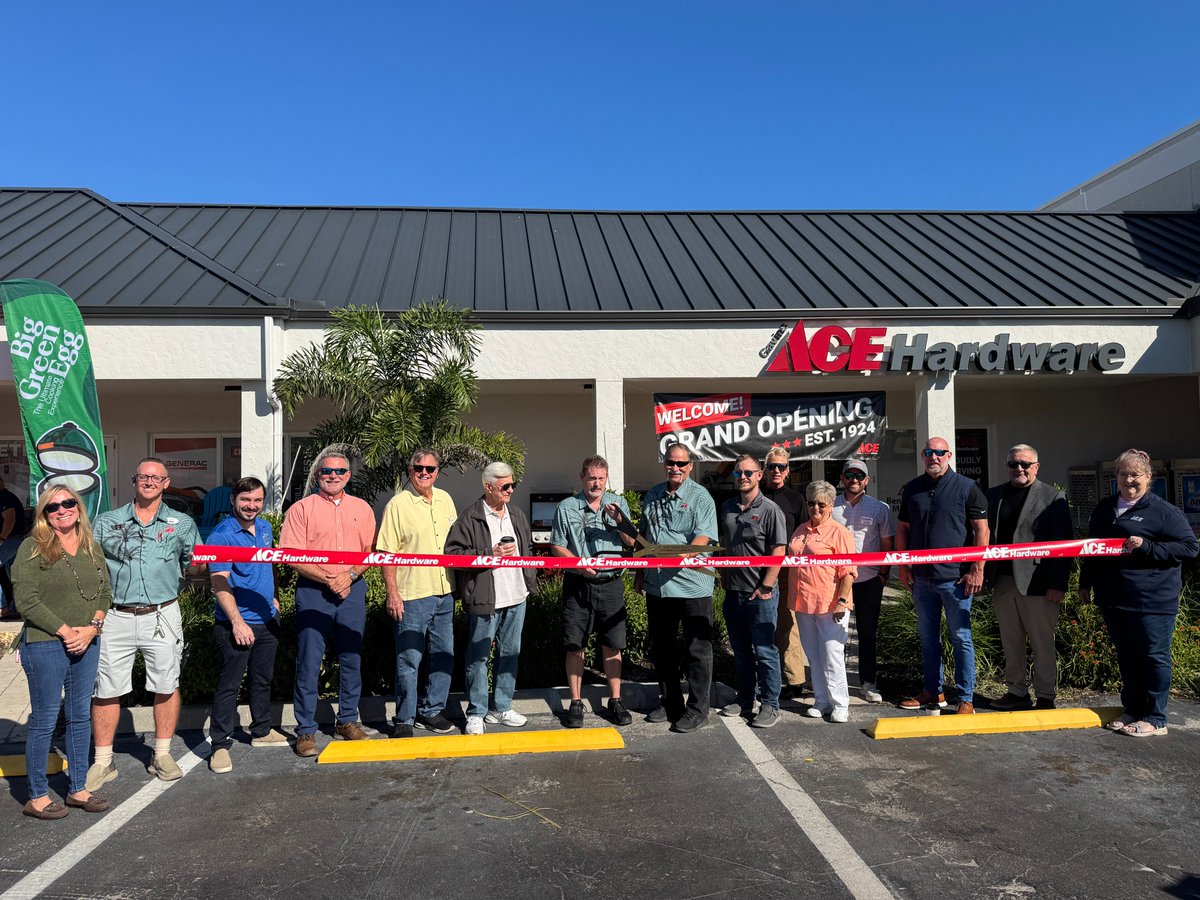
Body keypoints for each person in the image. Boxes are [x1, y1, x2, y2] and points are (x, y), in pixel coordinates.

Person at [89, 458, 203, 790]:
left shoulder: (182, 523)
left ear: (166, 483)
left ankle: (162, 754)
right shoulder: (106, 522)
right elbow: (91, 565)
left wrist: (206, 561)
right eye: (143, 476)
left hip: (162, 614)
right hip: (115, 615)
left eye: (156, 477)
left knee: (166, 684)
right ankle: (103, 761)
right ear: (134, 480)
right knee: (106, 688)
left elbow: (194, 566)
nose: (149, 481)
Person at [1081, 449, 1198, 737]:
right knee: (1128, 657)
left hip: (1151, 601)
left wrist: (1148, 547)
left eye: (1135, 475)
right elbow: (1092, 548)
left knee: (1153, 658)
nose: (1129, 480)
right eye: (1123, 474)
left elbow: (1190, 547)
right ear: (1116, 476)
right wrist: (1086, 582)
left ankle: (1156, 718)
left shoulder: (1164, 511)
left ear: (1148, 477)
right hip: (1114, 598)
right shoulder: (1105, 508)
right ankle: (1132, 709)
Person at [12, 486, 111, 819]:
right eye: (52, 507)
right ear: (44, 514)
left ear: (78, 507)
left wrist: (92, 628)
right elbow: (26, 601)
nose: (61, 510)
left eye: (68, 503)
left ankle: (78, 788)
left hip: (87, 641)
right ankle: (37, 796)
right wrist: (67, 631)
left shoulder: (90, 546)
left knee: (80, 716)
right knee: (44, 721)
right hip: (45, 644)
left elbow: (106, 592)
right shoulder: (32, 547)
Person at [279, 449, 377, 758]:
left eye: (339, 471)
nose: (333, 476)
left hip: (352, 590)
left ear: (348, 476)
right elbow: (291, 554)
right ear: (317, 475)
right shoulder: (301, 509)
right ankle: (306, 730)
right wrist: (328, 578)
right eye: (326, 471)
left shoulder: (362, 508)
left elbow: (369, 551)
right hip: (313, 591)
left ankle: (346, 721)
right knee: (309, 661)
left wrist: (348, 576)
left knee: (351, 657)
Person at [895, 438, 989, 715]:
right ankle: (932, 692)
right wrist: (903, 566)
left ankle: (966, 699)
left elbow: (981, 530)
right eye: (928, 452)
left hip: (955, 578)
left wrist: (977, 568)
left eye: (939, 452)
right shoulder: (913, 488)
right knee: (928, 638)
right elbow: (902, 528)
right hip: (922, 578)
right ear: (922, 456)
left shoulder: (967, 488)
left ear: (948, 455)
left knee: (961, 637)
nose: (933, 457)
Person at [205, 477, 289, 774]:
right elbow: (219, 582)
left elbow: (270, 564)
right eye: (245, 500)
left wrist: (274, 598)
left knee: (262, 680)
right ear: (233, 500)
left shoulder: (265, 528)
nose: (251, 506)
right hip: (236, 624)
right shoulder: (221, 535)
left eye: (257, 500)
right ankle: (219, 745)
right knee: (230, 685)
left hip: (267, 620)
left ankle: (261, 730)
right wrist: (238, 623)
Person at [446, 462, 537, 735]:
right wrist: (490, 553)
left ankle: (502, 707)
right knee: (478, 657)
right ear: (488, 486)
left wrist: (529, 578)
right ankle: (476, 712)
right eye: (505, 486)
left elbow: (528, 548)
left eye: (512, 485)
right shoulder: (470, 517)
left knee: (510, 654)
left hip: (517, 596)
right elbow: (453, 555)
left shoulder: (517, 514)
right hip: (485, 598)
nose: (511, 490)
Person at [550, 456, 636, 728]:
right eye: (591, 478)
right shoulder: (566, 507)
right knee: (575, 646)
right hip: (578, 585)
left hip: (611, 584)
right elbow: (557, 546)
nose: (596, 483)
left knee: (613, 644)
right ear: (582, 478)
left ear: (606, 479)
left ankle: (615, 700)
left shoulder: (618, 504)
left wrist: (620, 521)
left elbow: (632, 542)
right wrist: (578, 563)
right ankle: (576, 703)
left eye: (601, 478)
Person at [985, 444, 1073, 711]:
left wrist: (1057, 584)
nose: (1019, 469)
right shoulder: (995, 494)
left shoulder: (1053, 497)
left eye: (1025, 464)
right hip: (1003, 580)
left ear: (1036, 466)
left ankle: (1045, 696)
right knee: (1010, 640)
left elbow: (1064, 544)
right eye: (1013, 464)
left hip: (1038, 583)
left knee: (1042, 642)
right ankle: (1017, 692)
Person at [377, 449, 458, 738]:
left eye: (430, 469)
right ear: (410, 470)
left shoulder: (446, 500)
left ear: (438, 472)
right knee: (409, 659)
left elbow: (455, 546)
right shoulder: (398, 504)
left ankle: (431, 711)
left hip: (445, 591)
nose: (424, 473)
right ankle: (404, 717)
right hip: (412, 595)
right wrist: (393, 593)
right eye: (418, 467)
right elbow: (386, 552)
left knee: (443, 655)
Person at [638, 444, 718, 733]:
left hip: (692, 585)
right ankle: (671, 702)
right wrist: (640, 572)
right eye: (671, 462)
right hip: (658, 586)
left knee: (697, 649)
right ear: (665, 463)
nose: (676, 468)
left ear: (690, 466)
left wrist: (679, 554)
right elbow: (645, 537)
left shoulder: (701, 497)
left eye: (681, 463)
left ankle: (697, 709)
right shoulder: (653, 495)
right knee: (662, 649)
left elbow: (703, 538)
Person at [718, 454, 786, 728]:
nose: (743, 477)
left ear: (760, 475)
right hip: (734, 593)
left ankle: (771, 704)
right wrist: (723, 576)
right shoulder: (727, 507)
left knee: (765, 651)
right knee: (741, 651)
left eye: (748, 472)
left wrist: (766, 586)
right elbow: (724, 545)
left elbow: (778, 551)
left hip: (760, 595)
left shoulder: (770, 510)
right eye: (738, 473)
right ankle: (746, 698)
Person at [788, 481, 858, 722]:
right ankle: (821, 700)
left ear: (830, 505)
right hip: (803, 602)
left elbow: (848, 571)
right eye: (811, 503)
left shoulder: (840, 533)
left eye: (821, 504)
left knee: (832, 653)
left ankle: (840, 703)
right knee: (813, 654)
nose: (815, 508)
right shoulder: (800, 530)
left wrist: (842, 600)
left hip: (830, 603)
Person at [832, 459, 894, 704]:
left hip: (869, 579)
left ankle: (868, 683)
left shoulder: (880, 508)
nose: (854, 479)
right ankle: (835, 684)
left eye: (859, 476)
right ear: (842, 478)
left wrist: (883, 575)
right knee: (836, 633)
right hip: (836, 580)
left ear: (867, 480)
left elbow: (887, 544)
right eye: (849, 475)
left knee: (867, 633)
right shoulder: (830, 506)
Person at [761, 448, 808, 697]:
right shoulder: (756, 495)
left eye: (781, 467)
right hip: (757, 571)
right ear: (765, 470)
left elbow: (803, 534)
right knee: (762, 626)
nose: (776, 471)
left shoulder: (796, 499)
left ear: (788, 470)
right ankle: (766, 678)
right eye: (772, 466)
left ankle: (794, 680)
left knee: (788, 626)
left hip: (786, 571)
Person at [0, 475, 27, 619]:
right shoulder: (7, 496)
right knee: (15, 575)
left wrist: (2, 538)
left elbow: (10, 519)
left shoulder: (4, 498)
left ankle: (3, 607)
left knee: (15, 574)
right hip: (14, 540)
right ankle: (16, 608)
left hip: (10, 540)